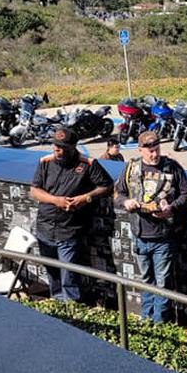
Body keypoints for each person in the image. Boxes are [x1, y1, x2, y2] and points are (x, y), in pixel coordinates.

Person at [115, 130, 187, 322]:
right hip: (139, 234)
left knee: (162, 283)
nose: (154, 154)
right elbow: (118, 193)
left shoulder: (172, 167)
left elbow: (186, 194)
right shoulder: (131, 168)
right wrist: (126, 203)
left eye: (156, 149)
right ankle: (146, 317)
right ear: (141, 150)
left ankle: (159, 321)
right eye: (150, 151)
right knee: (146, 280)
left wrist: (171, 208)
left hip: (163, 236)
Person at [30, 127, 113, 302]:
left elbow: (107, 186)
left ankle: (72, 308)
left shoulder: (88, 164)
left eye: (62, 147)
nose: (57, 150)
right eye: (55, 146)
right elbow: (34, 191)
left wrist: (85, 198)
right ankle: (57, 303)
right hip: (45, 226)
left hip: (69, 229)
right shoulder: (45, 162)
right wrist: (55, 200)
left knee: (69, 274)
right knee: (52, 271)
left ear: (72, 147)